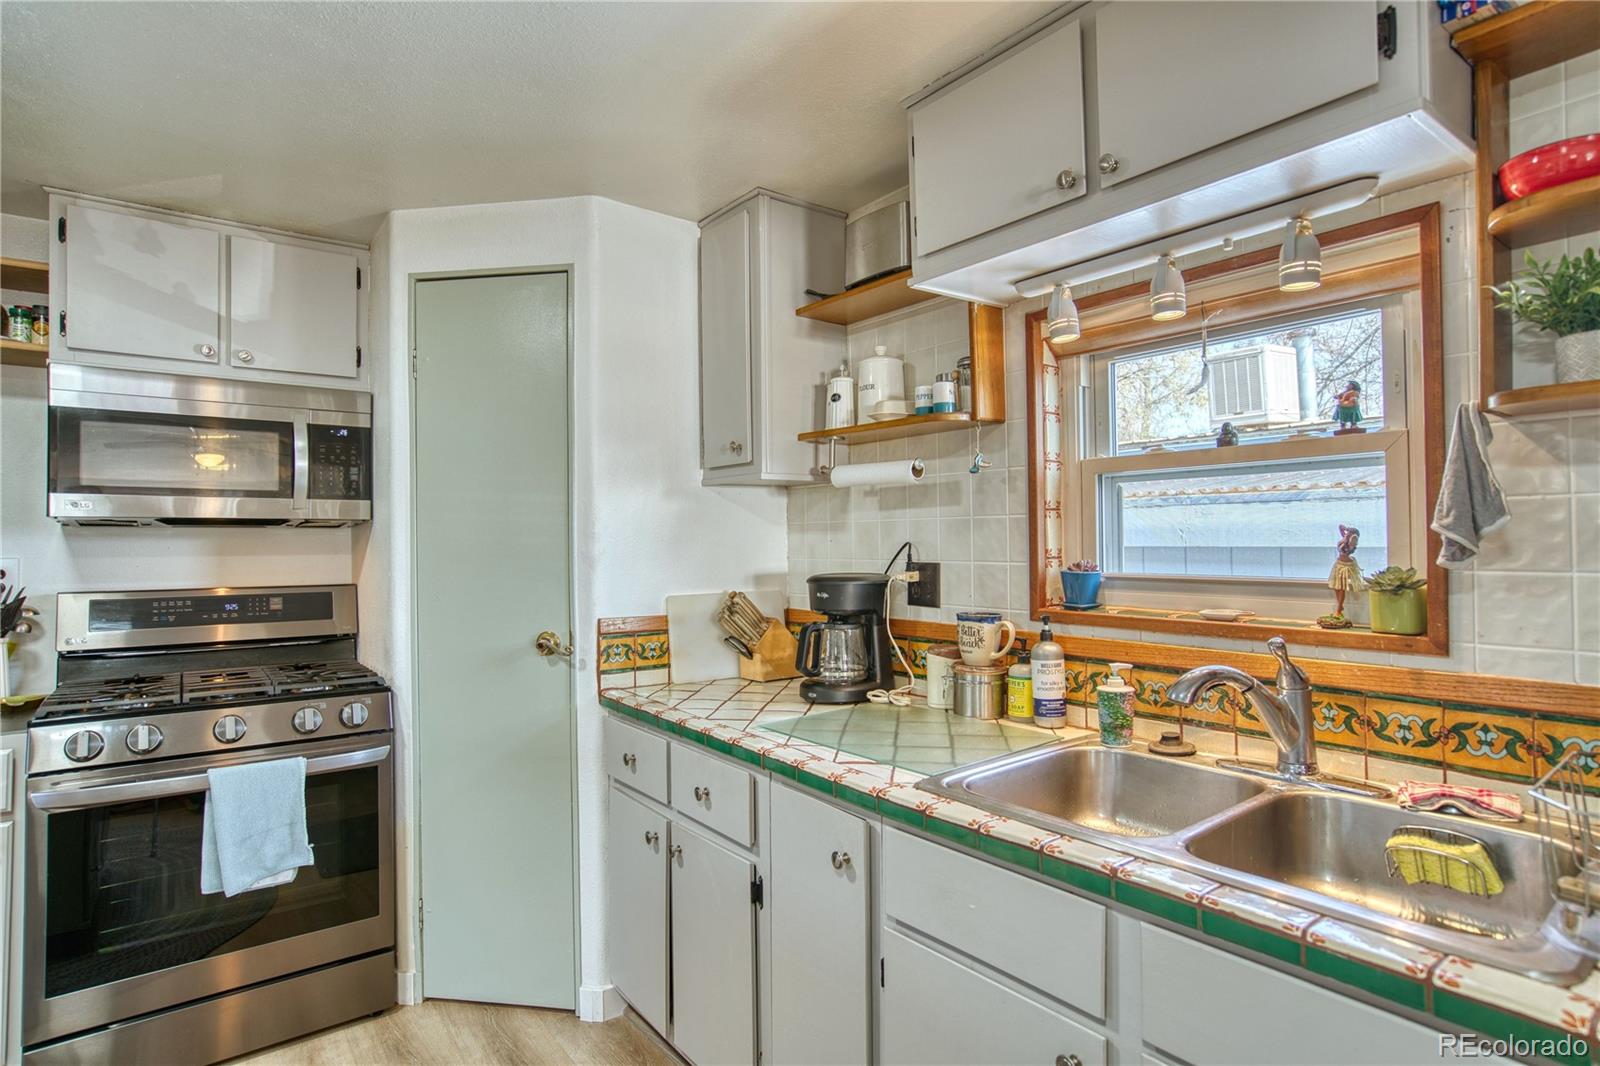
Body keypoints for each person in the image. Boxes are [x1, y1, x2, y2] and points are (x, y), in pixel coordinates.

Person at [1320, 525, 1362, 629]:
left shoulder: (1351, 541)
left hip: (1345, 566)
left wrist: (1350, 535)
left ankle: (1339, 609)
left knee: (1341, 588)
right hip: (1339, 564)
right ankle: (1340, 606)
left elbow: (1349, 548)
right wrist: (1346, 528)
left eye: (1349, 532)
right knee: (1336, 586)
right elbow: (1340, 527)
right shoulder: (1345, 538)